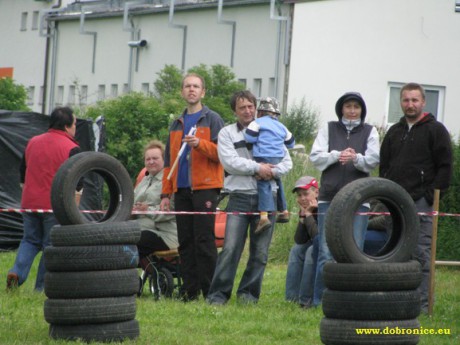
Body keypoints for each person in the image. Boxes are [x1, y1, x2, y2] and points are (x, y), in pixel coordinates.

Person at [206, 90, 292, 305]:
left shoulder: (271, 128)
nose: (247, 111)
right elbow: (229, 162)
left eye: (251, 106)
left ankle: (248, 297)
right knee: (230, 249)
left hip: (268, 197)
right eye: (242, 107)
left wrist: (271, 172)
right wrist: (257, 167)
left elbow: (287, 162)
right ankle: (218, 296)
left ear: (256, 108)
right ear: (235, 110)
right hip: (239, 197)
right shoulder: (227, 133)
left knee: (260, 253)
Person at [379, 82, 453, 312]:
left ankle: (420, 306)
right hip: (394, 203)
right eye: (405, 100)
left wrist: (430, 196)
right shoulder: (394, 131)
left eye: (414, 100)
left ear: (423, 102)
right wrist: (386, 194)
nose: (410, 104)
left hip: (421, 202)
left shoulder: (436, 130)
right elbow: (384, 167)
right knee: (394, 254)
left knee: (421, 254)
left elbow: (445, 167)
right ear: (400, 102)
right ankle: (396, 302)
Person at [310, 92, 380, 306]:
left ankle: (349, 301)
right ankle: (320, 301)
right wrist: (336, 155)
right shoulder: (328, 128)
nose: (351, 110)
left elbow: (373, 160)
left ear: (361, 110)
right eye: (348, 106)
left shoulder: (370, 131)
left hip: (359, 198)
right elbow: (315, 156)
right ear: (341, 109)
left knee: (355, 250)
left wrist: (355, 158)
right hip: (329, 197)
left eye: (356, 107)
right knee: (325, 251)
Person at [159, 73, 224, 301]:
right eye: (187, 86)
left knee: (204, 240)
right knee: (185, 240)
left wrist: (200, 144)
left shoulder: (213, 119)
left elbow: (222, 154)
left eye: (196, 86)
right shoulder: (175, 123)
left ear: (203, 92)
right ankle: (189, 291)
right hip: (181, 188)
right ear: (182, 91)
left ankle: (210, 291)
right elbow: (168, 162)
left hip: (206, 187)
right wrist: (165, 193)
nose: (191, 90)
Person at [7, 106, 81, 291]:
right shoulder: (72, 148)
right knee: (50, 246)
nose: (75, 128)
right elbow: (79, 183)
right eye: (74, 124)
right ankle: (40, 288)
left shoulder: (32, 141)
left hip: (29, 203)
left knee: (29, 240)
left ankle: (17, 271)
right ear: (66, 126)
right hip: (54, 205)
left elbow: (22, 173)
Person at [244, 97, 295, 233]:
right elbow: (291, 143)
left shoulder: (257, 122)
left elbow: (250, 138)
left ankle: (263, 217)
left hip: (262, 155)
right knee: (277, 181)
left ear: (260, 112)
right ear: (276, 114)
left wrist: (259, 139)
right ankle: (283, 210)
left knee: (263, 183)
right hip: (278, 157)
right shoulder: (282, 126)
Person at [132, 140, 178, 270]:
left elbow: (171, 211)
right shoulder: (144, 181)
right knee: (121, 235)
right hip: (141, 227)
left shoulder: (170, 181)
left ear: (164, 160)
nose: (151, 162)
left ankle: (125, 275)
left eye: (155, 158)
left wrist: (147, 210)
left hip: (165, 233)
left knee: (135, 240)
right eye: (148, 159)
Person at [285, 176, 319, 309]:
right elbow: (299, 240)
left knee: (311, 251)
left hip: (328, 246)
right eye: (299, 195)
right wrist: (303, 217)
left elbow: (318, 238)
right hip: (316, 242)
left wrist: (309, 215)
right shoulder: (306, 208)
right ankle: (291, 299)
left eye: (306, 194)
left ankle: (306, 300)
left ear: (316, 192)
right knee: (296, 249)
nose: (302, 198)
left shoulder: (323, 206)